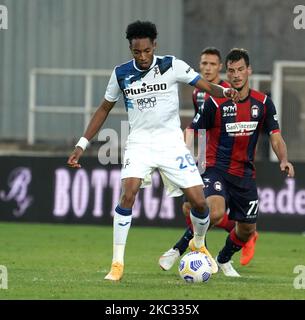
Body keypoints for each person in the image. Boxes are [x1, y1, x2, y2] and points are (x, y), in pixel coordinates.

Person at [66, 21, 238, 281]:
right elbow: (104, 108)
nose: (143, 57)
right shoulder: (121, 73)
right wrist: (82, 144)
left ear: (154, 45)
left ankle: (199, 243)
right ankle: (117, 264)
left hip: (171, 143)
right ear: (130, 49)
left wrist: (225, 91)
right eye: (137, 52)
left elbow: (204, 85)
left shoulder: (171, 65)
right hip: (140, 143)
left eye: (147, 51)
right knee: (128, 194)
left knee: (200, 203)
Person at [189, 48, 294, 277]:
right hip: (216, 168)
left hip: (244, 174)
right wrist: (190, 161)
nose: (236, 75)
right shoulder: (215, 102)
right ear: (226, 73)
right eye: (231, 71)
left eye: (240, 70)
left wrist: (283, 159)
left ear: (249, 71)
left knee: (246, 230)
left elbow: (275, 136)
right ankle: (194, 248)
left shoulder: (263, 103)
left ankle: (223, 258)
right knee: (215, 212)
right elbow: (194, 131)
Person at [159, 47, 258, 271]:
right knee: (188, 207)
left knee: (205, 208)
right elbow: (200, 127)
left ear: (220, 67)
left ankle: (182, 248)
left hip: (221, 161)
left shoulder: (224, 91)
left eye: (212, 64)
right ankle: (209, 243)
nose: (207, 68)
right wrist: (193, 158)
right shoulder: (198, 92)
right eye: (204, 64)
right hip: (205, 156)